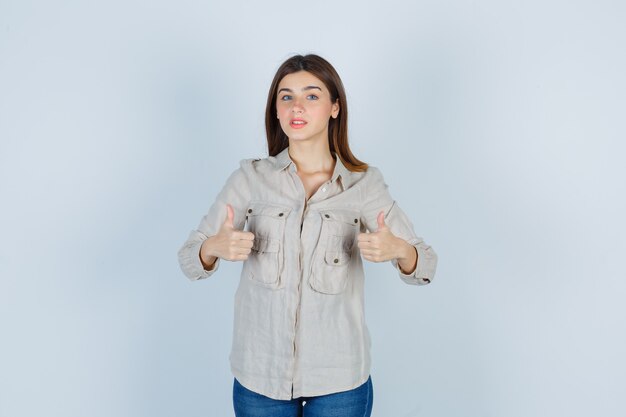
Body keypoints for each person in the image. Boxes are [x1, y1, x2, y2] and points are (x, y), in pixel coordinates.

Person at [177, 53, 438, 417]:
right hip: (260, 377)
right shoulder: (249, 179)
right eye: (286, 97)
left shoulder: (364, 184)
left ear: (335, 107)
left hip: (339, 380)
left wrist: (398, 250)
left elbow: (425, 264)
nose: (296, 106)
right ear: (276, 110)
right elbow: (189, 258)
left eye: (311, 95)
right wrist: (212, 247)